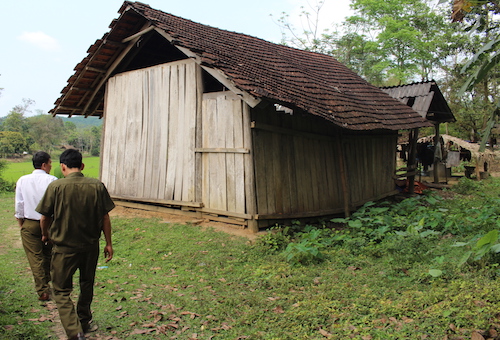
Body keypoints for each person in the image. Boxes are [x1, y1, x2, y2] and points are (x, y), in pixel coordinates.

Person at [36, 149, 115, 340]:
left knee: (61, 289)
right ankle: (84, 320)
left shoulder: (56, 187)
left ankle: (74, 331)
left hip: (64, 249)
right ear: (82, 166)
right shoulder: (97, 186)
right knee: (87, 284)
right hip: (90, 246)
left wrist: (45, 235)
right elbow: (105, 217)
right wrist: (109, 243)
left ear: (62, 166)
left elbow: (44, 217)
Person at [15, 151, 57, 301]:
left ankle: (43, 290)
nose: (51, 166)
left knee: (35, 257)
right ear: (44, 164)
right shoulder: (53, 180)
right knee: (48, 255)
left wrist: (21, 223)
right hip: (50, 223)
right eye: (50, 163)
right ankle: (47, 283)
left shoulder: (22, 180)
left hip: (30, 222)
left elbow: (19, 205)